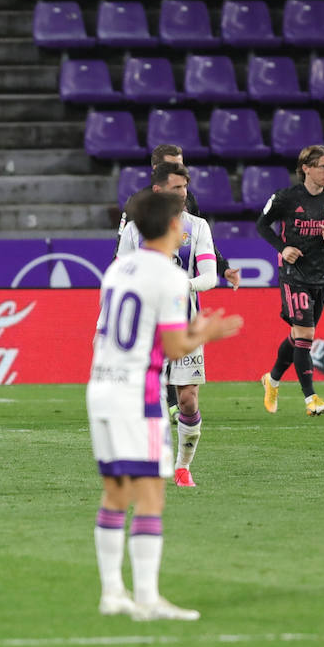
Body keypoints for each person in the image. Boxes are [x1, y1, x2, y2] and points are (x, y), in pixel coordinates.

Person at [88, 185, 243, 621]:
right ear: (174, 225)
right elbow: (175, 346)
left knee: (116, 492)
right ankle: (148, 598)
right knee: (151, 495)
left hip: (101, 388)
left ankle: (112, 593)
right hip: (136, 396)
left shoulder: (118, 270)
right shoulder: (171, 277)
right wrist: (205, 335)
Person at [115, 144, 241, 419]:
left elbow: (199, 242)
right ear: (156, 173)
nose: (180, 179)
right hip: (149, 310)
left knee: (188, 397)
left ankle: (181, 451)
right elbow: (123, 253)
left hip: (182, 309)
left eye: (182, 167)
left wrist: (222, 268)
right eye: (172, 167)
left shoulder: (190, 207)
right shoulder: (138, 205)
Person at [116, 162, 216, 488]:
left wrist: (181, 285)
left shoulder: (197, 227)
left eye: (185, 187)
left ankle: (183, 466)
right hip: (146, 325)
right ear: (158, 190)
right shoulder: (135, 231)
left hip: (184, 324)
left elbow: (210, 277)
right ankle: (152, 463)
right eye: (176, 188)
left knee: (187, 400)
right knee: (152, 398)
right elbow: (119, 277)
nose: (183, 193)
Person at [255, 145, 324, 417]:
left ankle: (272, 380)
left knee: (299, 336)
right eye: (322, 166)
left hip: (320, 275)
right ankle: (311, 398)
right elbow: (262, 225)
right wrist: (282, 248)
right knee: (306, 335)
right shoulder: (286, 198)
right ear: (306, 168)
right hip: (293, 275)